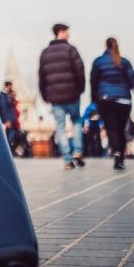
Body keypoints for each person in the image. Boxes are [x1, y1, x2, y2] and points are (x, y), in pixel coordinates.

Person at [90, 37, 134, 171]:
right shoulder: (124, 62)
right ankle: (121, 156)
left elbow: (93, 83)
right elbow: (133, 81)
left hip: (105, 99)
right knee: (121, 129)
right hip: (124, 100)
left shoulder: (98, 62)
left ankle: (117, 152)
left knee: (111, 129)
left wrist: (94, 101)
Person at [39, 23, 87, 170]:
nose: (69, 35)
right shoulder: (71, 50)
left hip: (55, 97)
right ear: (61, 32)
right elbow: (80, 71)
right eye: (67, 32)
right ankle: (78, 151)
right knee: (77, 121)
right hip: (72, 94)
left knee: (60, 126)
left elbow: (42, 76)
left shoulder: (45, 53)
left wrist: (45, 95)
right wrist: (80, 89)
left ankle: (67, 159)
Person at [0, 81, 21, 153]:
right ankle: (7, 149)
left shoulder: (6, 95)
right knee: (10, 134)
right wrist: (7, 120)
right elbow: (4, 108)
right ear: (7, 86)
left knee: (11, 134)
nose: (11, 88)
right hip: (8, 119)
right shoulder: (3, 95)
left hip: (11, 118)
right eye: (10, 86)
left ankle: (8, 149)